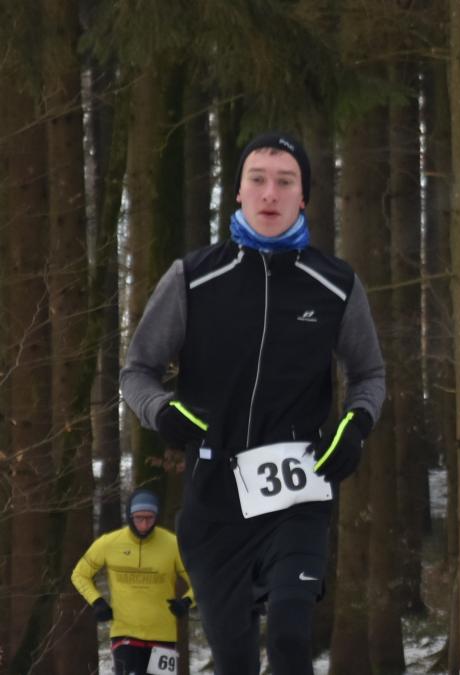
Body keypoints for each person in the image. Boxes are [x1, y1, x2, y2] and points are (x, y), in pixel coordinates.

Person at [120, 132, 386, 675]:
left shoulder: (335, 285)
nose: (270, 193)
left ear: (303, 197)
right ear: (237, 193)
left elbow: (369, 374)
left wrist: (357, 426)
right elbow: (137, 371)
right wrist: (161, 412)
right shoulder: (194, 277)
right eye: (257, 180)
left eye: (285, 182)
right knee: (235, 660)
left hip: (298, 493)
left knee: (291, 635)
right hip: (214, 501)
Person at [71, 489, 194, 675]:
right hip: (125, 633)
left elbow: (202, 582)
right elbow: (79, 574)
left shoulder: (172, 544)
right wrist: (97, 601)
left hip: (163, 635)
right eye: (139, 518)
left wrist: (186, 602)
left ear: (157, 517)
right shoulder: (109, 543)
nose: (144, 525)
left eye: (149, 518)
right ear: (130, 517)